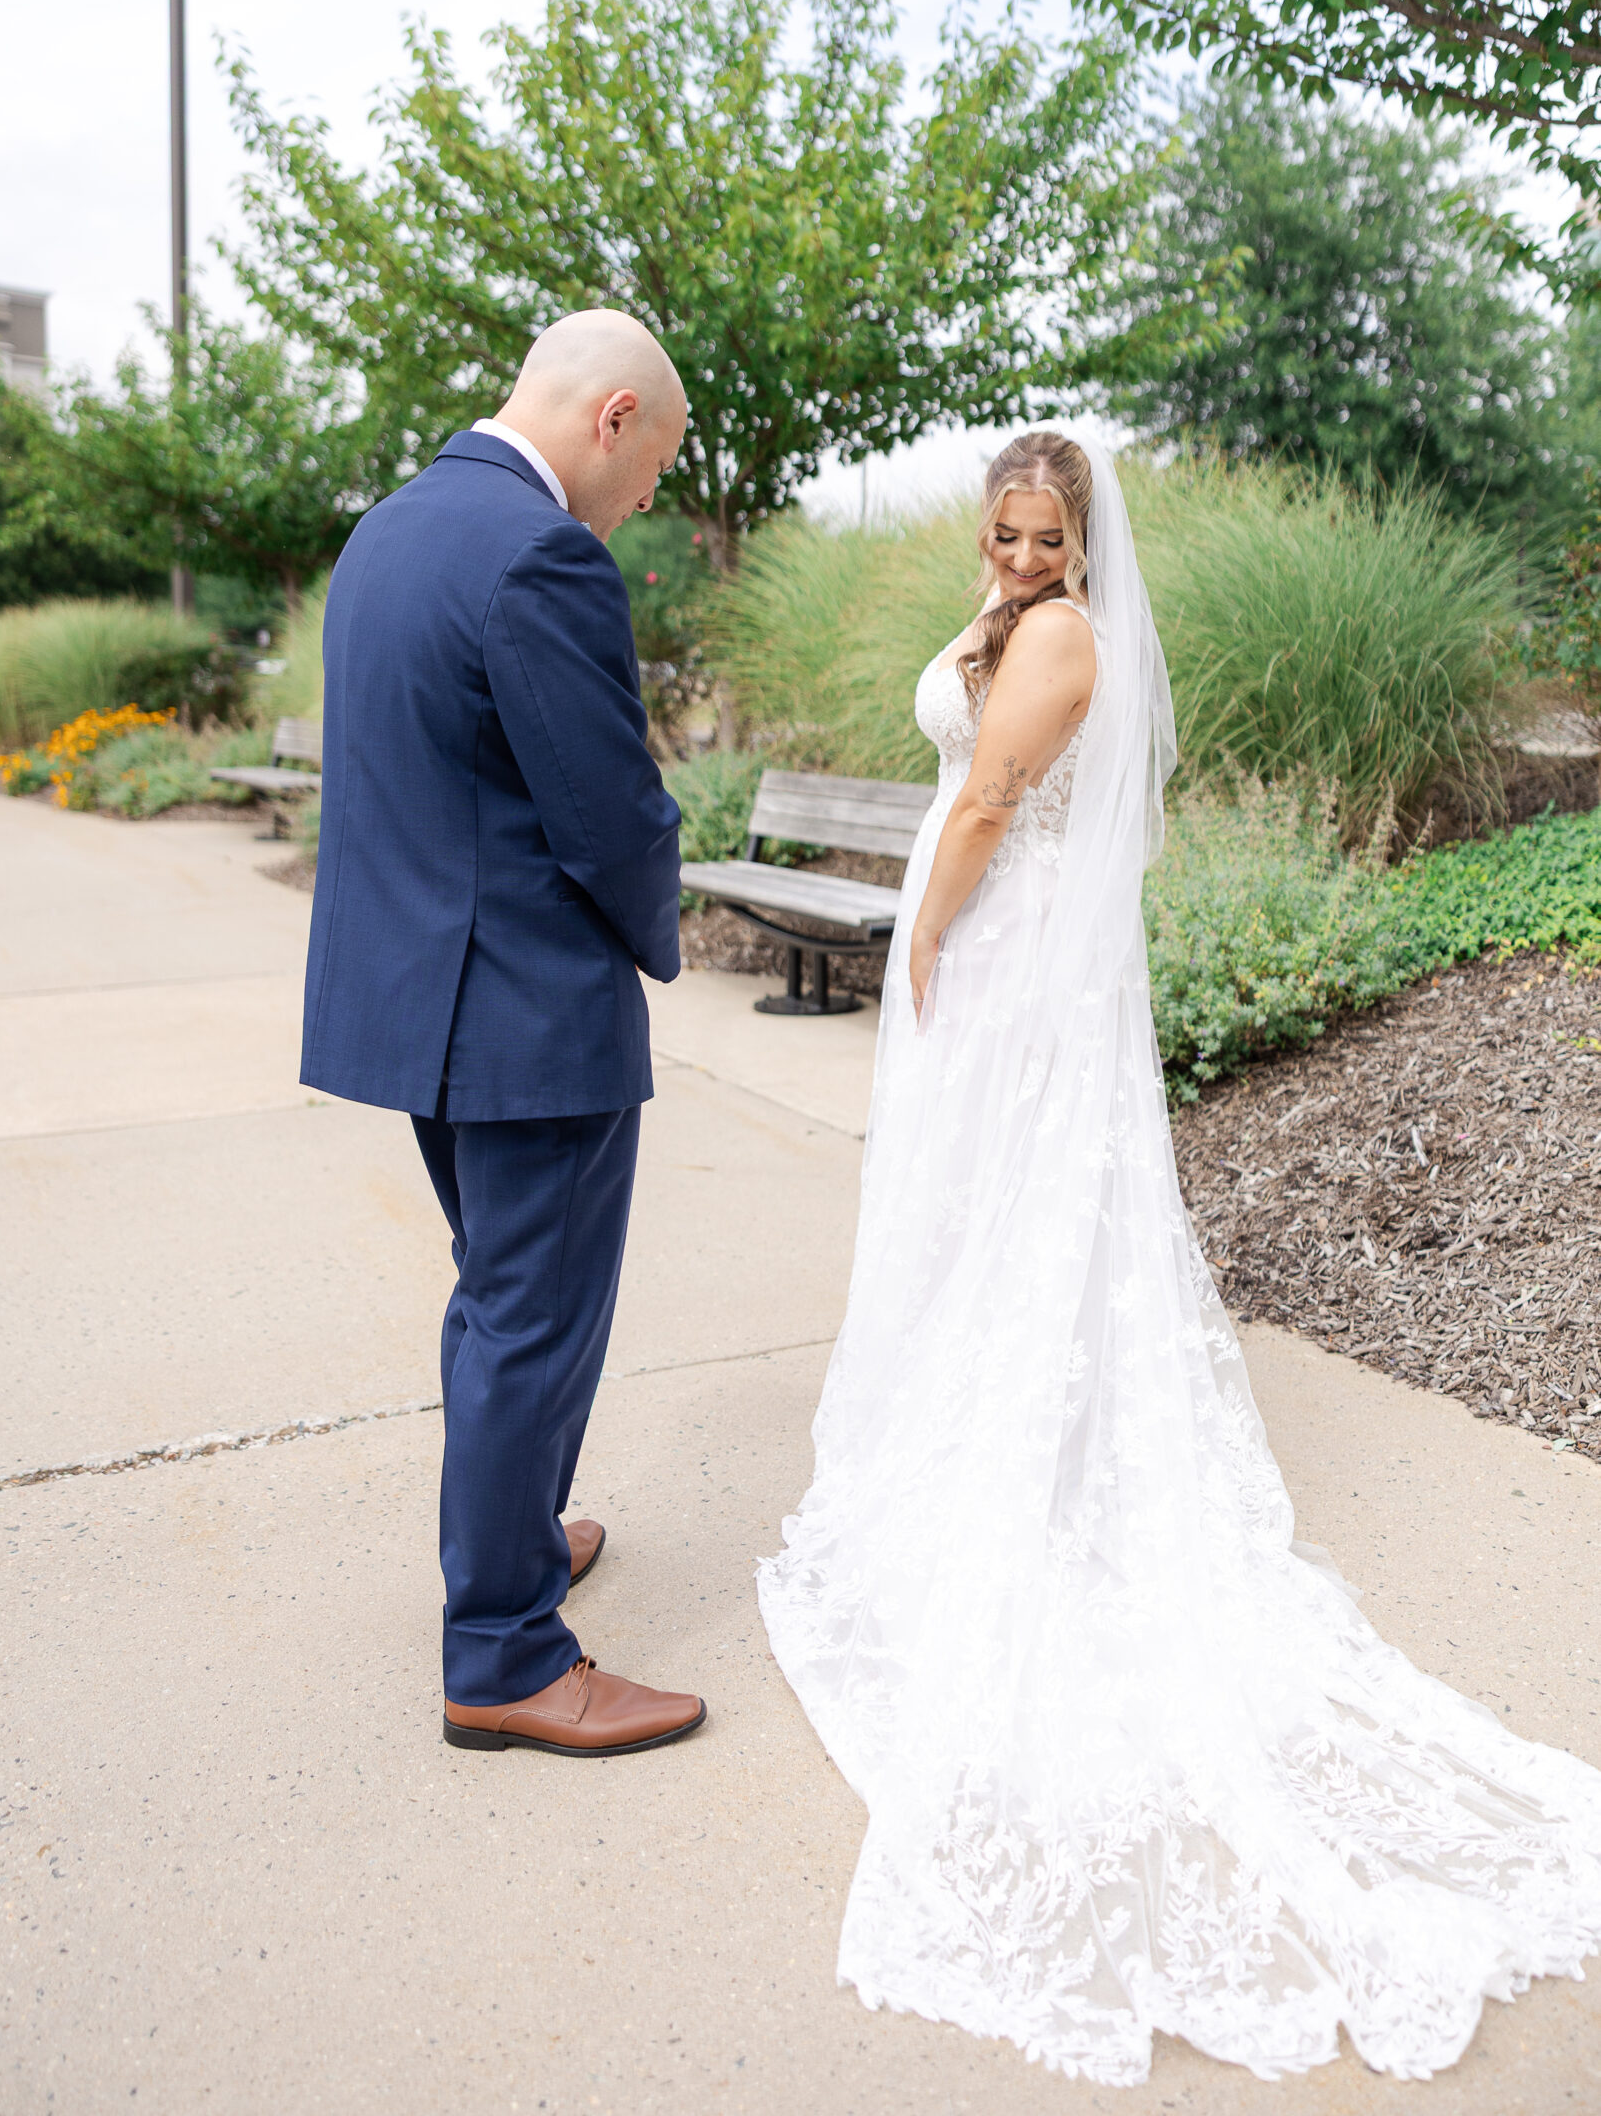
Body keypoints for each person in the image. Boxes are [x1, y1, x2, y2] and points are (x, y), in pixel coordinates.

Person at [759, 429, 1601, 2084]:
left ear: (1082, 543)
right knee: (969, 1218)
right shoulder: (1016, 615)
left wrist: (925, 928)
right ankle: (984, 1433)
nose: (1012, 559)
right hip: (995, 952)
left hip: (1003, 957)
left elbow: (996, 797)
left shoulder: (1064, 634)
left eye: (1040, 536)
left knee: (1015, 1217)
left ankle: (1031, 1467)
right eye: (999, 533)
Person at [303, 309, 706, 1759]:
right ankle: (507, 1653)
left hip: (423, 1000)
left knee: (502, 1301)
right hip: (530, 1011)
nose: (646, 497)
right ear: (610, 418)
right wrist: (660, 921)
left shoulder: (391, 532)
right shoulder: (542, 553)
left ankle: (517, 1538)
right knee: (530, 1322)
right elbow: (609, 812)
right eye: (652, 462)